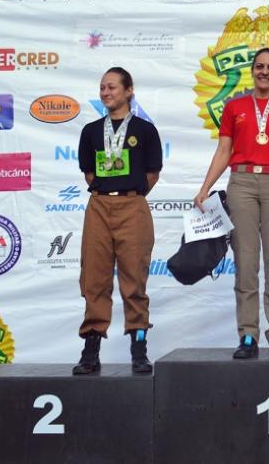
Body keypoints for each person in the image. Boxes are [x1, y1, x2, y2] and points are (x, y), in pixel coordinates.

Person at [194, 47, 269, 359]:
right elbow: (224, 151)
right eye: (260, 66)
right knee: (246, 263)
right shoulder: (234, 107)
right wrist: (205, 188)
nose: (264, 72)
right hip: (242, 182)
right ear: (252, 70)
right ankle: (247, 335)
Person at [72, 67, 163, 375]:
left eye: (112, 87)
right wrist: (109, 191)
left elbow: (152, 174)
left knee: (134, 279)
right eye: (102, 87)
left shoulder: (145, 130)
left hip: (133, 205)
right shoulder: (90, 131)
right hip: (98, 205)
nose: (106, 92)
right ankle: (90, 352)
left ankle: (139, 350)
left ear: (128, 91)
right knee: (94, 279)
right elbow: (89, 173)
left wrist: (128, 193)